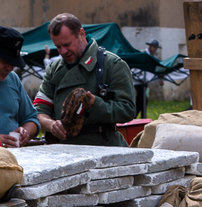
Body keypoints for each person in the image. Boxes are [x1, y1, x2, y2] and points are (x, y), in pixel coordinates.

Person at [34, 13, 135, 146]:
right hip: (63, 152)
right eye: (58, 47)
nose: (63, 51)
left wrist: (95, 105)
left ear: (81, 34)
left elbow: (128, 110)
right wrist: (52, 125)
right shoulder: (54, 70)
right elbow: (39, 111)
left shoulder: (112, 65)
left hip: (104, 150)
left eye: (67, 44)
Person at [0, 26, 40, 147]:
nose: (10, 68)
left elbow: (32, 118)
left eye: (13, 63)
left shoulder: (13, 79)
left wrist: (25, 132)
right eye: (4, 61)